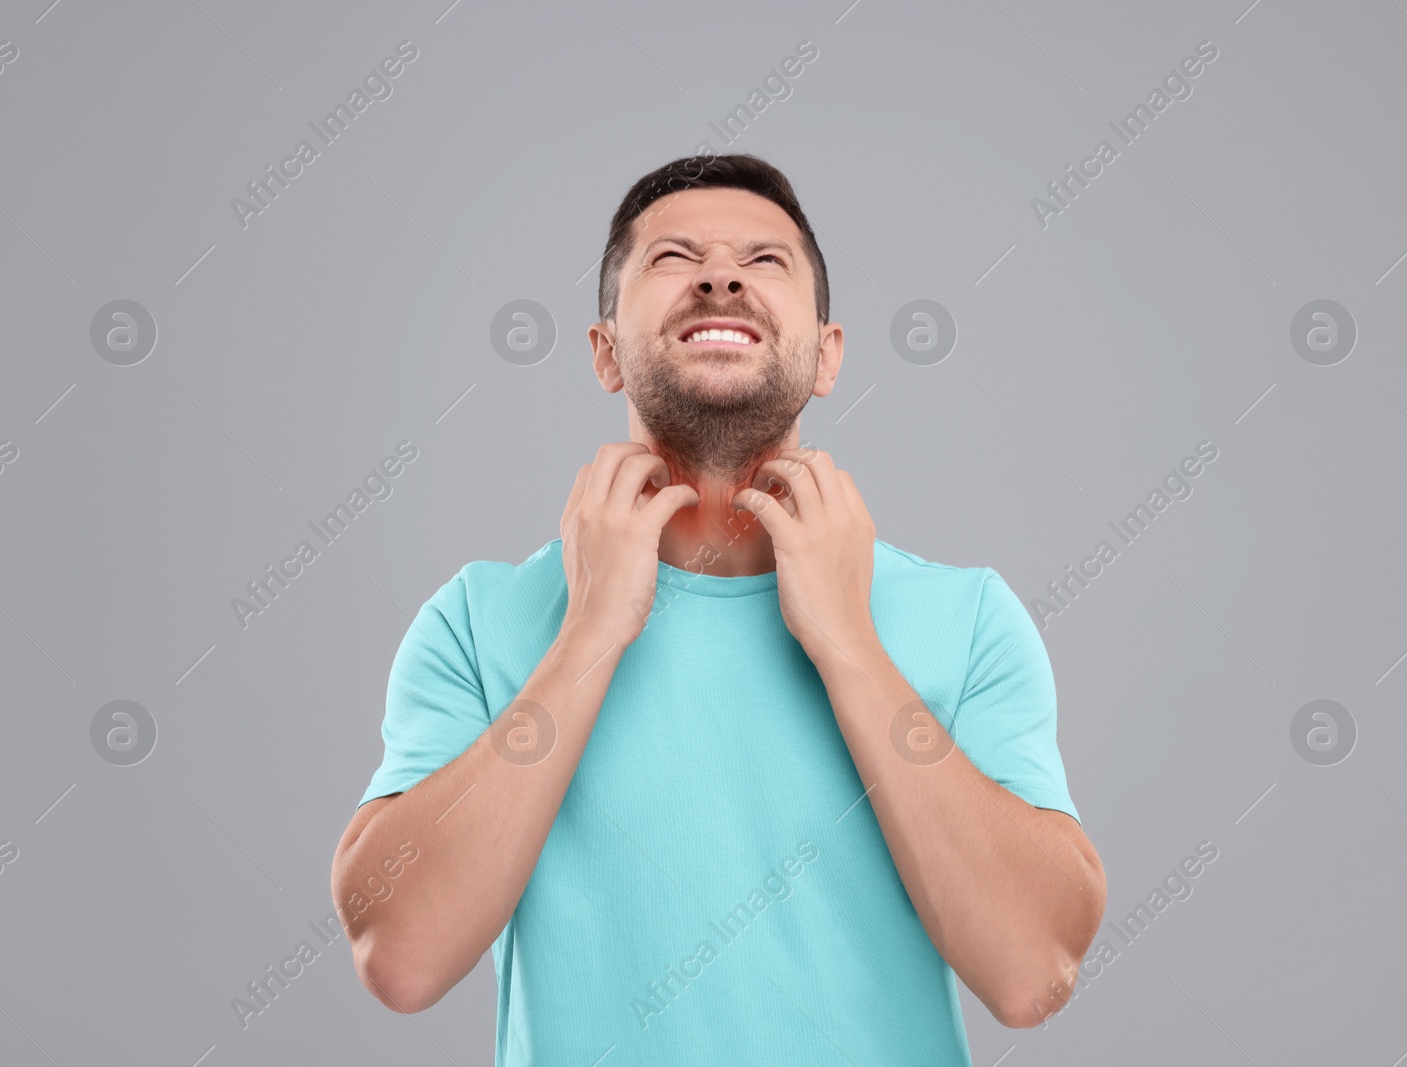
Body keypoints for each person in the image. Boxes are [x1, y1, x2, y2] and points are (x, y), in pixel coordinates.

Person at [330, 153, 1106, 1064]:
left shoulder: (967, 618)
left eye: (766, 261)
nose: (720, 274)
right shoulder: (477, 619)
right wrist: (587, 637)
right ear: (605, 353)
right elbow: (401, 958)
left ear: (827, 354)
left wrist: (849, 645)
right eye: (673, 258)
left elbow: (1032, 975)